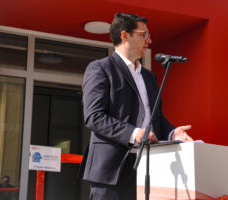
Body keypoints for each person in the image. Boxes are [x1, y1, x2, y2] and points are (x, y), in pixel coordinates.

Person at [78, 12, 193, 200]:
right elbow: (94, 117)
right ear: (125, 35)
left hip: (148, 167)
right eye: (143, 34)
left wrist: (173, 133)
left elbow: (156, 119)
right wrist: (134, 133)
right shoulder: (100, 68)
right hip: (111, 170)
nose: (149, 40)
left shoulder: (150, 77)